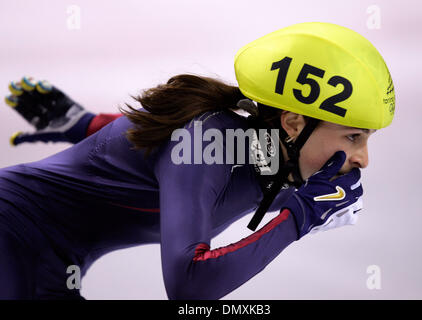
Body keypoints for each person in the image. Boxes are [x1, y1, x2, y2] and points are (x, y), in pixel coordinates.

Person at [0, 22, 395, 300]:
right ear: (293, 123)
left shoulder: (267, 159)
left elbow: (157, 140)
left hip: (49, 264)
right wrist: (299, 217)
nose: (362, 159)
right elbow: (189, 287)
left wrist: (85, 124)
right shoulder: (207, 141)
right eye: (353, 137)